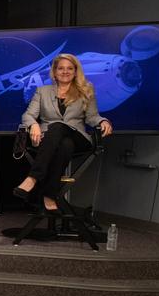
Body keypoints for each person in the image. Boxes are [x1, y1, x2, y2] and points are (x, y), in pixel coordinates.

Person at [14, 53, 113, 211]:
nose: (65, 71)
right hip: (50, 141)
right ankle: (49, 194)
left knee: (59, 126)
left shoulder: (86, 90)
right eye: (61, 68)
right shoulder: (42, 91)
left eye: (69, 68)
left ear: (75, 71)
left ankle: (33, 178)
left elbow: (92, 117)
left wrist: (102, 120)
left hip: (78, 137)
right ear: (54, 72)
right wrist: (33, 125)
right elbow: (28, 115)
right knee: (65, 144)